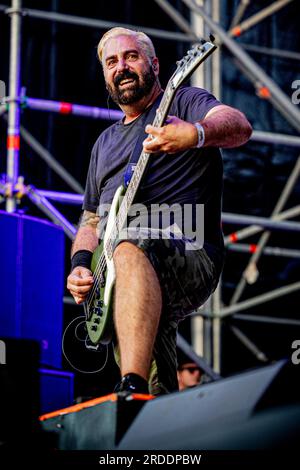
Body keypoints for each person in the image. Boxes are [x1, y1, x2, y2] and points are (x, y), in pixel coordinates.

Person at [67, 27, 252, 396]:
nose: (121, 66)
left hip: (190, 252)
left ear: (153, 64)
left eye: (131, 56)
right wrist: (81, 264)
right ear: (105, 75)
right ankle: (150, 419)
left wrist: (195, 133)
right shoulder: (103, 144)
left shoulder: (183, 101)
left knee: (131, 241)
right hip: (125, 270)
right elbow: (91, 218)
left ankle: (128, 388)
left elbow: (240, 126)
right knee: (159, 388)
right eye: (112, 61)